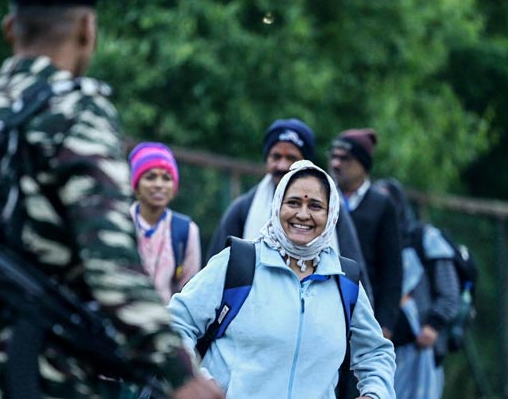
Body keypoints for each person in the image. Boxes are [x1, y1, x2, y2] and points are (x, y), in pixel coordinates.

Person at [0, 0, 223, 399]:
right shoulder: (75, 112)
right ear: (88, 30)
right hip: (46, 376)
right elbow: (110, 262)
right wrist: (180, 374)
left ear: (10, 29)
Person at [168, 160, 396, 399]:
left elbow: (376, 353)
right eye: (293, 203)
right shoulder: (239, 263)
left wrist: (376, 393)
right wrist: (196, 380)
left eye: (316, 206)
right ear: (277, 206)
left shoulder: (344, 281)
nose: (303, 214)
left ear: (331, 215)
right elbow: (175, 323)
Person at [206, 118, 372, 298]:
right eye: (276, 156)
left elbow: (355, 274)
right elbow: (213, 275)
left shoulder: (333, 209)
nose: (282, 165)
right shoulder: (243, 208)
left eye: (291, 158)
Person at [374, 178, 460, 399]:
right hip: (383, 349)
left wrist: (433, 325)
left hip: (420, 348)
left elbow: (450, 291)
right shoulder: (370, 245)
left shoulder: (424, 239)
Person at [327, 128, 402, 337]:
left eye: (345, 159)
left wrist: (385, 323)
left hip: (367, 310)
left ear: (363, 163)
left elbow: (392, 270)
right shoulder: (323, 199)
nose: (336, 164)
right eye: (333, 157)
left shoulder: (381, 205)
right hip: (329, 306)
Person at [128, 142, 201, 302]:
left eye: (167, 178)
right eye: (150, 177)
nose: (159, 185)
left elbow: (189, 291)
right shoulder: (121, 221)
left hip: (166, 321)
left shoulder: (186, 230)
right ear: (136, 186)